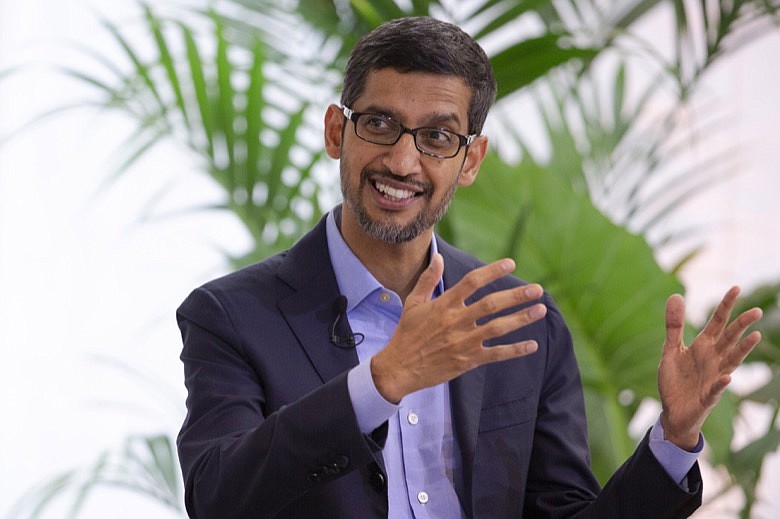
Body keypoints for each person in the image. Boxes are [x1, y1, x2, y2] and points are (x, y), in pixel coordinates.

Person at [175, 16, 763, 519]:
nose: (403, 161)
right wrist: (379, 384)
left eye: (437, 136)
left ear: (471, 159)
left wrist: (675, 438)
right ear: (337, 131)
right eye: (379, 124)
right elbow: (216, 495)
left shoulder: (522, 319)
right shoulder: (229, 315)